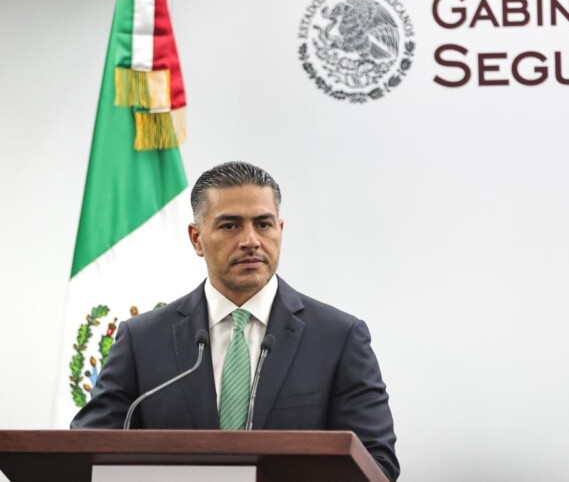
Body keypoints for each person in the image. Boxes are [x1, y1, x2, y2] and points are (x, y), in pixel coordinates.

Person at [71, 161, 399, 481]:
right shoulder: (142, 339)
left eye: (263, 224)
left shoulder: (338, 338)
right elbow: (86, 452)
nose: (250, 241)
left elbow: (376, 463)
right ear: (196, 238)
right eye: (230, 226)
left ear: (280, 230)